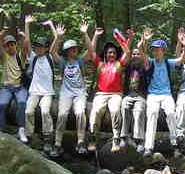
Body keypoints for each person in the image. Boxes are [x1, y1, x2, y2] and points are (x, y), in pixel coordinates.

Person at [51, 22, 94, 156]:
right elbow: (52, 52)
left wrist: (85, 33)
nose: (74, 50)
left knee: (80, 113)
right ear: (67, 51)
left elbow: (91, 50)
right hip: (65, 93)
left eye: (75, 48)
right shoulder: (63, 62)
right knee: (62, 114)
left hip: (80, 93)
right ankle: (57, 143)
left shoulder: (80, 60)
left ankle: (80, 141)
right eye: (71, 48)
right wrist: (58, 37)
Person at [89, 27, 130, 153]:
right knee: (96, 111)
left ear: (116, 55)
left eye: (113, 52)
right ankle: (93, 138)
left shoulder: (119, 64)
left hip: (116, 94)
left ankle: (116, 138)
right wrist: (96, 35)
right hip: (101, 94)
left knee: (115, 110)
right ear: (105, 54)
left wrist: (120, 39)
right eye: (109, 52)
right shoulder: (100, 64)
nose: (111, 54)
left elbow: (127, 52)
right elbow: (91, 51)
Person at [21, 15, 59, 151]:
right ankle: (29, 134)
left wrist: (51, 25)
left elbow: (57, 39)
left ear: (46, 48)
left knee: (45, 111)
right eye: (37, 46)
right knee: (28, 111)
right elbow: (26, 42)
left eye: (41, 46)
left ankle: (47, 137)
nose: (38, 48)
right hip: (34, 91)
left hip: (47, 92)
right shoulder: (34, 57)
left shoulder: (50, 57)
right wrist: (27, 24)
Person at [144, 33, 180, 157]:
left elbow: (181, 60)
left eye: (157, 49)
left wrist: (183, 45)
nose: (155, 52)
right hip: (152, 94)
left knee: (171, 113)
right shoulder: (150, 62)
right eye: (153, 50)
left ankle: (175, 144)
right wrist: (144, 41)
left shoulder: (168, 63)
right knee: (152, 113)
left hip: (166, 94)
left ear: (163, 51)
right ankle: (148, 147)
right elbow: (143, 55)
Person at [121, 28, 153, 153]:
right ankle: (123, 137)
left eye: (137, 54)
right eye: (134, 54)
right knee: (125, 107)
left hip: (140, 96)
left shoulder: (145, 67)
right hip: (129, 95)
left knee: (139, 111)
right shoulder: (129, 66)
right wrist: (130, 39)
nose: (135, 56)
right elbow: (126, 52)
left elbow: (145, 57)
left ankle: (139, 140)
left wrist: (144, 42)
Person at [0, 25, 29, 133]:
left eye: (12, 44)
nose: (10, 47)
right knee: (2, 104)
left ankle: (21, 129)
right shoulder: (5, 57)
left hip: (20, 87)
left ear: (16, 45)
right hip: (6, 87)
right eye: (8, 45)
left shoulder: (20, 56)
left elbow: (25, 48)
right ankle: (0, 128)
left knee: (22, 103)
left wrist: (23, 38)